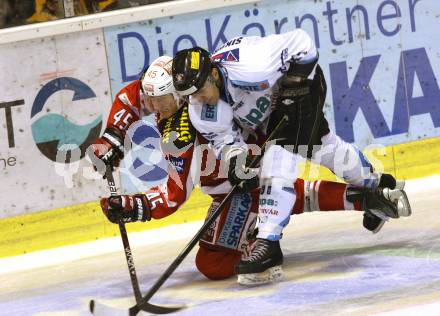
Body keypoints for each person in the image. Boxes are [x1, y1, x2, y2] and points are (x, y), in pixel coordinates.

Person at [92, 56, 410, 283]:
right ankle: (367, 198)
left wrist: (135, 206)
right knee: (287, 181)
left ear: (178, 96)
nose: (153, 106)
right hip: (249, 161)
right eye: (153, 98)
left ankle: (261, 242)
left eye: (161, 99)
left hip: (242, 180)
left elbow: (175, 195)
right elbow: (131, 96)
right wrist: (113, 135)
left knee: (213, 264)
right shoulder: (182, 91)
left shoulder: (184, 132)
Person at [171, 29, 412, 285]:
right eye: (189, 95)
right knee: (324, 147)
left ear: (214, 74)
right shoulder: (200, 109)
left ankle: (268, 244)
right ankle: (377, 187)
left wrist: (295, 83)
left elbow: (303, 42)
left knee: (279, 154)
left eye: (199, 91)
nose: (196, 99)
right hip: (269, 114)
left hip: (304, 90)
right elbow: (225, 141)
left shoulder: (252, 64)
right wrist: (237, 163)